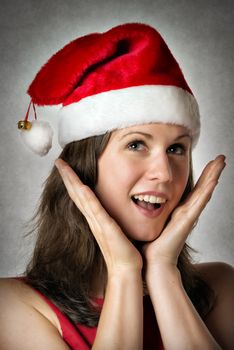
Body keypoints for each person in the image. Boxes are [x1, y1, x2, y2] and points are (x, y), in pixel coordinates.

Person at [0, 23, 233, 350]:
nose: (164, 173)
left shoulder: (221, 287)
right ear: (85, 165)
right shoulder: (12, 306)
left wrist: (164, 274)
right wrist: (124, 271)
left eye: (176, 149)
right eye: (137, 145)